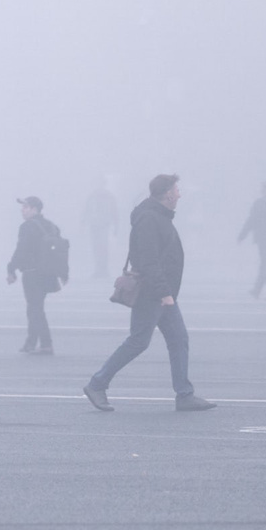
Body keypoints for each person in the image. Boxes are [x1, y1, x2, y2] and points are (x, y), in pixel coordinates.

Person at [84, 174, 213, 412]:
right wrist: (164, 292)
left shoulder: (158, 216)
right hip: (153, 293)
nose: (179, 194)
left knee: (179, 340)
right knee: (138, 341)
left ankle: (185, 395)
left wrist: (167, 293)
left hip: (164, 293)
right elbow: (147, 260)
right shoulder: (149, 219)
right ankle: (97, 384)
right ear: (166, 194)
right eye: (176, 190)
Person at [5, 196, 67, 354]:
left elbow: (21, 250)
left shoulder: (27, 227)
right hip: (49, 274)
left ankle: (45, 343)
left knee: (34, 309)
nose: (22, 210)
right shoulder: (52, 227)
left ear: (35, 209)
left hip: (32, 273)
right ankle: (31, 342)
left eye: (26, 207)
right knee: (36, 307)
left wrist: (11, 269)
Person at [81, 175, 121, 279]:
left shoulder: (107, 196)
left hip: (103, 225)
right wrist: (84, 223)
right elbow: (87, 210)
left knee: (102, 248)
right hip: (95, 225)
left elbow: (114, 211)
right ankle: (99, 270)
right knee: (97, 248)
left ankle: (103, 270)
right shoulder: (93, 196)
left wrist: (116, 226)